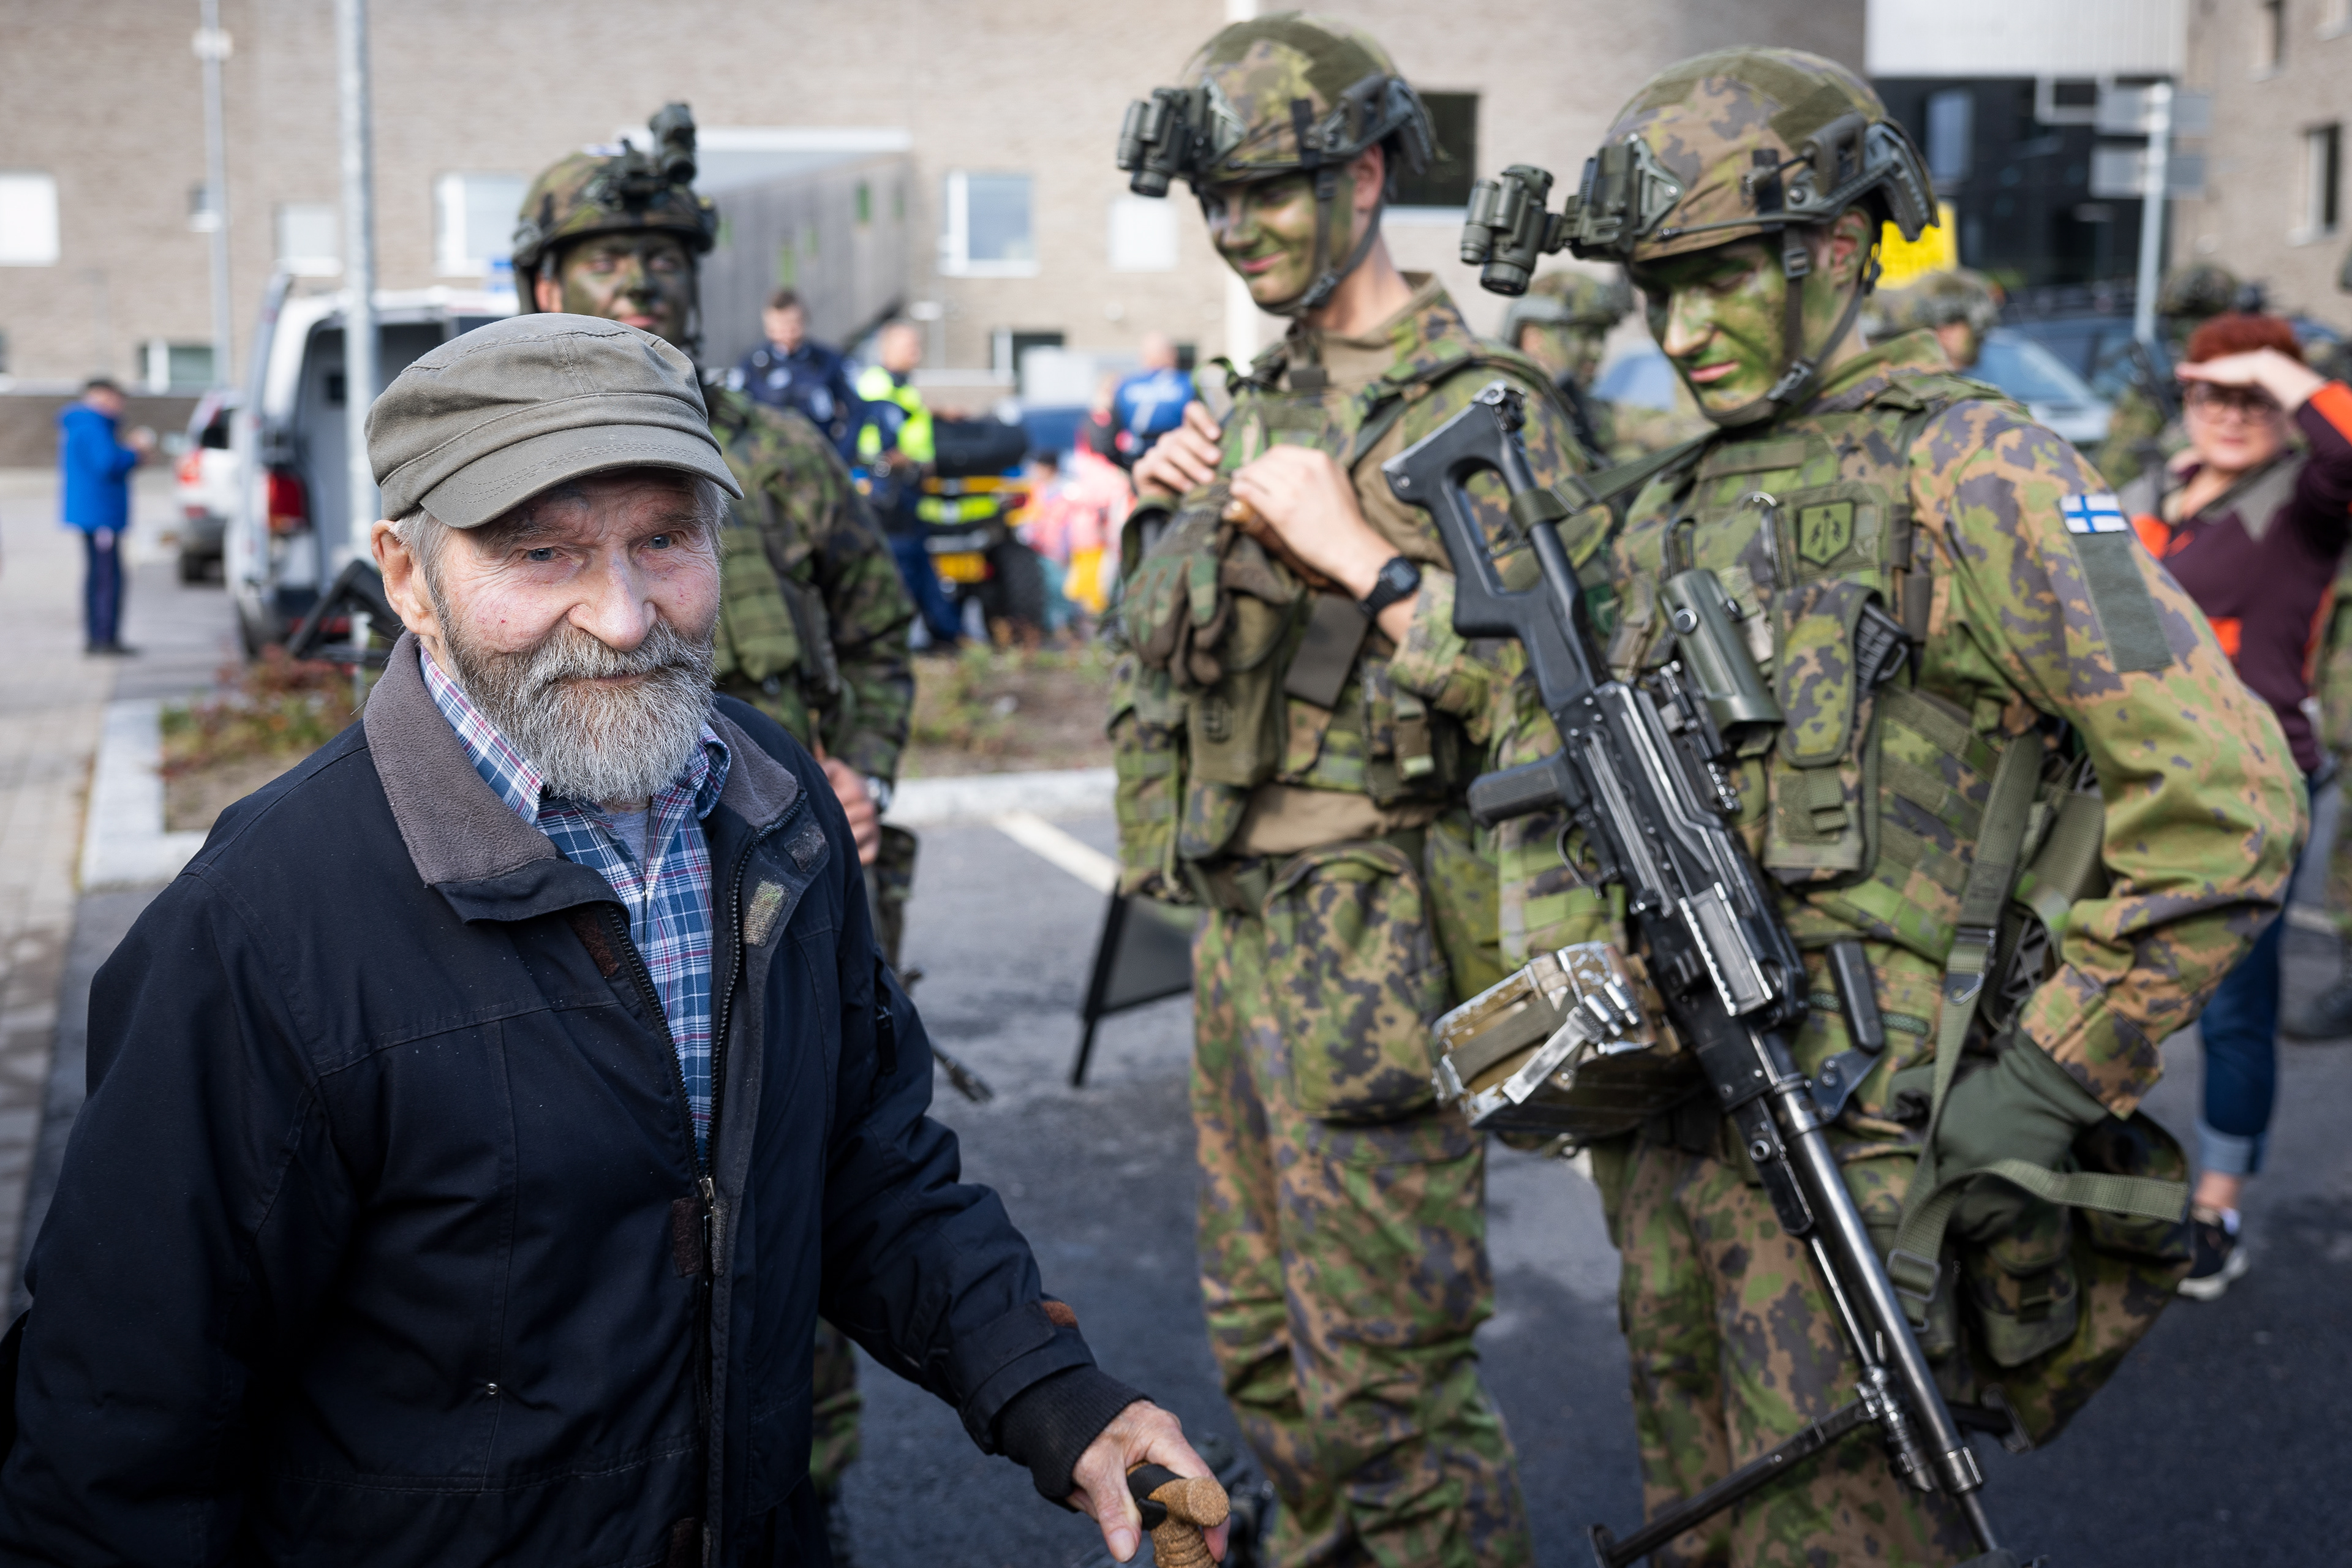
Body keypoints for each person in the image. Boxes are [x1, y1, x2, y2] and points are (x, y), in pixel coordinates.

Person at [0, 312, 1225, 1567]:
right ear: (409, 578)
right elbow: (121, 1416)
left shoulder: (771, 802)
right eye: (542, 551)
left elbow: (860, 1156)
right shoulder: (258, 928)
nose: (628, 615)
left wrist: (1054, 1395)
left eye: (663, 538)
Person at [1485, 50, 2299, 1564]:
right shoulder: (1659, 504)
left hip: (1870, 1161)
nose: (1682, 331)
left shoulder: (1972, 466)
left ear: (1840, 249)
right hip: (1673, 1155)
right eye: (1657, 291)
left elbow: (2226, 797)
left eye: (1721, 279)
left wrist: (2047, 1080)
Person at [1109, 15, 1589, 1564]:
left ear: (1367, 172)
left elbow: (1565, 695)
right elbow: (1178, 661)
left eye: (1266, 190)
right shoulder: (1264, 394)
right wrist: (1153, 511)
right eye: (1213, 203)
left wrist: (1364, 559)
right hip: (1245, 929)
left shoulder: (1480, 407)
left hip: (1377, 948)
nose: (1235, 228)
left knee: (1386, 1392)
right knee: (1266, 1360)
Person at [510, 112, 920, 1558]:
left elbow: (877, 630)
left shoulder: (780, 458)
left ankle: (800, 1501)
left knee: (803, 1210)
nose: (644, 287)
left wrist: (856, 769)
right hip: (577, 943)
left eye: (666, 265)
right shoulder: (502, 481)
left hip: (783, 920)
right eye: (608, 265)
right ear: (543, 290)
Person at [2131, 318, 2352, 1295]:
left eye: (2250, 396)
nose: (2228, 411)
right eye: (2209, 392)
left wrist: (2272, 366)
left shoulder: (2306, 501)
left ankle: (2217, 1210)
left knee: (2232, 1010)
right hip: (2130, 780)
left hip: (2247, 790)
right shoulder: (2164, 490)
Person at [855, 321, 962, 647]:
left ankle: (943, 632)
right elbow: (874, 437)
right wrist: (898, 460)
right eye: (909, 345)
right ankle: (902, 637)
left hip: (908, 489)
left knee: (917, 558)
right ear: (887, 350)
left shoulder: (902, 386)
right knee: (902, 562)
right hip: (890, 489)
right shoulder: (877, 385)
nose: (917, 351)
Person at [2096, 262, 2248, 489]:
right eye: (2180, 319)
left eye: (2206, 319)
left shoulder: (2265, 388)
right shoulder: (2155, 393)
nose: (2191, 329)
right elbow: (2112, 473)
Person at [57, 376, 153, 655]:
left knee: (100, 575)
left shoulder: (83, 423)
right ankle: (103, 639)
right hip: (100, 515)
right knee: (106, 578)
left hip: (97, 513)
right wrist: (135, 451)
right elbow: (108, 463)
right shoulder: (93, 424)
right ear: (102, 396)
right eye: (116, 399)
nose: (119, 406)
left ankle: (100, 637)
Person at [729, 288, 863, 456]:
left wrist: (840, 456)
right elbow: (732, 410)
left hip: (817, 459)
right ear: (768, 326)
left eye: (792, 323)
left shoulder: (828, 360)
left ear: (804, 320)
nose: (787, 331)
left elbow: (857, 410)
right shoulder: (753, 364)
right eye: (779, 325)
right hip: (769, 461)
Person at [1875, 266, 2003, 372]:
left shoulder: (1999, 368)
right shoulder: (1913, 371)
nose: (1942, 329)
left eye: (1952, 321)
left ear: (1974, 326)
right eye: (1932, 323)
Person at [1110, 332, 1193, 469]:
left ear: (1144, 356)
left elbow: (1109, 432)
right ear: (1172, 354)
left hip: (1135, 462)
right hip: (1179, 463)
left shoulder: (1126, 385)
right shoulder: (1187, 384)